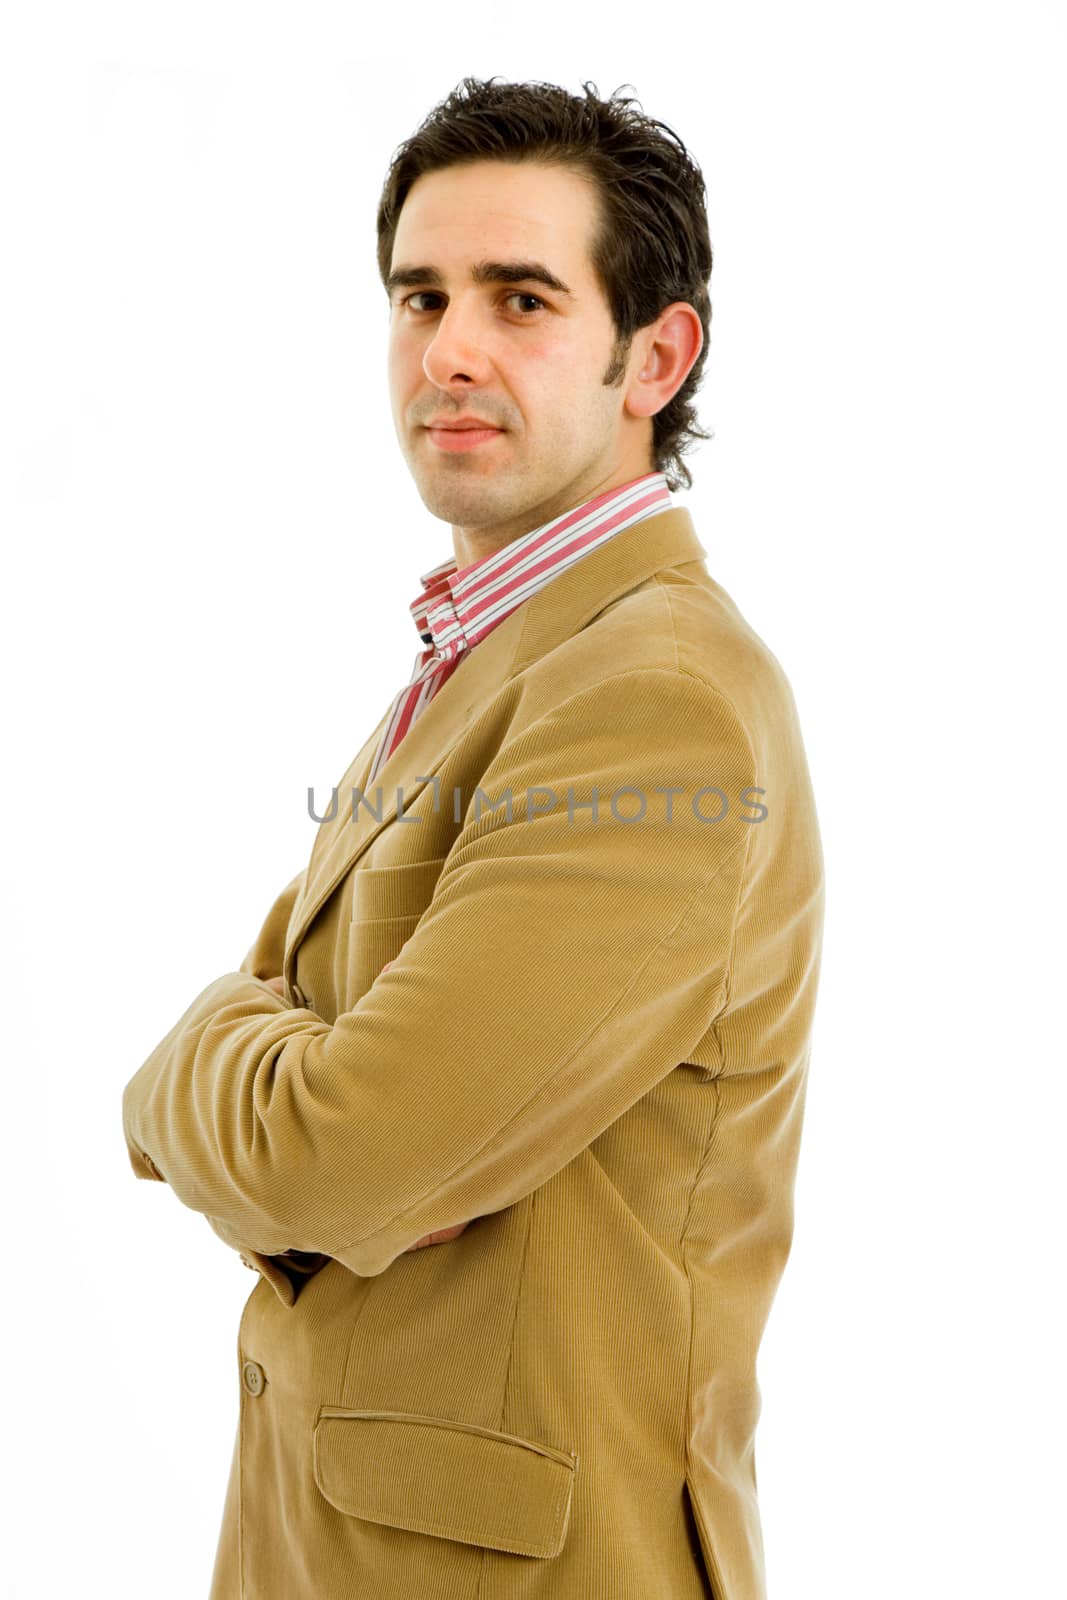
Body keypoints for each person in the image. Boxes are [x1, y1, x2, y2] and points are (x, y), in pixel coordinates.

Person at [122, 75, 825, 1600]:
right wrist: (268, 1063)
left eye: (521, 299)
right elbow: (302, 1039)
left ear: (657, 353)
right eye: (419, 296)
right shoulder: (493, 657)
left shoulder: (656, 697)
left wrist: (178, 1072)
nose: (449, 350)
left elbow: (343, 1152)